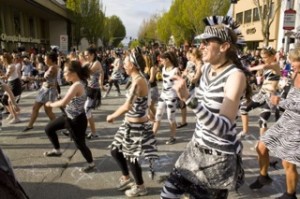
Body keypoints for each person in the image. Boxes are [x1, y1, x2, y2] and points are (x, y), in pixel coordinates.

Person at [160, 15, 251, 199]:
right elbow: (204, 103)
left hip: (218, 158)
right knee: (168, 193)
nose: (200, 46)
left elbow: (223, 127)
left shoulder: (235, 76)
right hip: (196, 148)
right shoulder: (208, 68)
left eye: (207, 42)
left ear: (224, 46)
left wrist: (188, 99)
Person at [107, 49, 158, 197]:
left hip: (135, 126)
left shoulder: (139, 81)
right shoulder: (137, 79)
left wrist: (112, 116)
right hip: (127, 124)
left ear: (133, 65)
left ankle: (140, 187)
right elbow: (146, 101)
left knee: (131, 157)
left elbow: (127, 105)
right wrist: (151, 112)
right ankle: (126, 177)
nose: (124, 65)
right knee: (115, 151)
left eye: (127, 62)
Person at [250, 48, 300, 199]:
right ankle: (263, 177)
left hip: (298, 124)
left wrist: (282, 102)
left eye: (297, 66)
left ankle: (290, 195)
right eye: (293, 65)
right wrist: (272, 98)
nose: (294, 69)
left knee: (288, 162)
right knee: (261, 146)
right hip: (287, 118)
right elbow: (283, 90)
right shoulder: (293, 74)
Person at [44, 60, 95, 173]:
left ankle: (91, 163)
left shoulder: (76, 85)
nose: (63, 74)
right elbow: (69, 100)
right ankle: (57, 150)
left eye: (65, 71)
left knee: (80, 144)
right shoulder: (79, 82)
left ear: (73, 72)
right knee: (49, 129)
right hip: (68, 116)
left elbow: (63, 103)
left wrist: (50, 104)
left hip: (76, 120)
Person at [240, 47, 281, 137]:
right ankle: (245, 131)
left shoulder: (275, 65)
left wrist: (248, 68)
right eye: (262, 57)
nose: (263, 59)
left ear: (272, 56)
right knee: (243, 108)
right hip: (261, 94)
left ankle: (262, 143)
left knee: (262, 120)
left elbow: (263, 66)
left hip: (269, 96)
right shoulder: (269, 66)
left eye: (265, 57)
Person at [22, 51, 58, 132]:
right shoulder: (51, 67)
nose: (44, 60)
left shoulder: (53, 67)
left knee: (48, 111)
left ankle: (58, 125)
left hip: (48, 91)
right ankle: (30, 125)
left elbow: (44, 79)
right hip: (45, 90)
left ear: (51, 59)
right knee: (35, 108)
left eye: (45, 59)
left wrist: (30, 78)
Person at [152, 51, 181, 145]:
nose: (161, 61)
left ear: (167, 60)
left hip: (172, 97)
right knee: (157, 116)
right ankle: (152, 138)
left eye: (162, 59)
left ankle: (172, 137)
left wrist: (181, 98)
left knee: (170, 118)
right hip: (163, 96)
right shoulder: (164, 68)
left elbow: (180, 84)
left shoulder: (176, 70)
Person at [84, 47, 104, 139]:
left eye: (87, 55)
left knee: (87, 110)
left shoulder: (96, 63)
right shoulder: (91, 62)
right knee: (85, 111)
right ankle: (89, 131)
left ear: (93, 55)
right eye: (85, 55)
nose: (86, 57)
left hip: (94, 91)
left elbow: (87, 73)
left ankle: (93, 132)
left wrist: (101, 84)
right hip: (89, 89)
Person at [0, 53, 22, 124]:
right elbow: (5, 76)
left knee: (10, 101)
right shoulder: (7, 66)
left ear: (5, 59)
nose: (1, 60)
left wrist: (1, 76)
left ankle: (16, 117)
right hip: (10, 83)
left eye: (2, 59)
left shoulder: (11, 66)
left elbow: (6, 77)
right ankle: (12, 114)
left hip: (15, 84)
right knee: (4, 99)